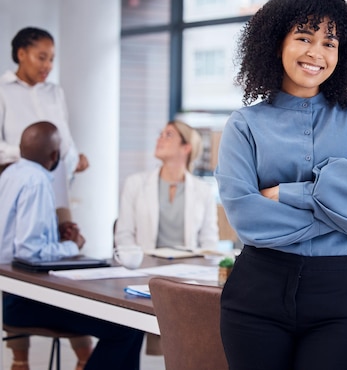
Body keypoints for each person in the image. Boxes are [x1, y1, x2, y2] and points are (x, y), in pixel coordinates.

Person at [215, 0, 347, 370]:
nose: (316, 53)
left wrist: (283, 193)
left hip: (342, 296)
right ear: (275, 43)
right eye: (303, 38)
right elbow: (247, 217)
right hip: (257, 294)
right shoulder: (243, 125)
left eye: (329, 43)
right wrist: (343, 209)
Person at [0, 121, 144, 370]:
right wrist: (72, 246)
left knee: (129, 326)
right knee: (127, 325)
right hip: (27, 299)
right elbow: (28, 251)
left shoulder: (11, 173)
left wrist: (56, 236)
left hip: (15, 295)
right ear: (55, 156)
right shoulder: (37, 181)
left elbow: (16, 237)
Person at [0, 27, 93, 370]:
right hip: (18, 179)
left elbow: (64, 136)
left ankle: (85, 358)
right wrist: (30, 152)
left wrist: (73, 157)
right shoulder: (3, 90)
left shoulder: (55, 92)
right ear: (21, 53)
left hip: (55, 181)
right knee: (20, 257)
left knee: (64, 262)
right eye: (42, 57)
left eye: (52, 58)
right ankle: (20, 360)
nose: (48, 65)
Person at [114, 120, 219, 251]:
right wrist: (137, 262)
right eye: (160, 134)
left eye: (168, 135)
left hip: (189, 266)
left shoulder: (204, 191)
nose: (159, 139)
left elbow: (209, 240)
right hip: (145, 265)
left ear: (186, 147)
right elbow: (124, 235)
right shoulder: (135, 183)